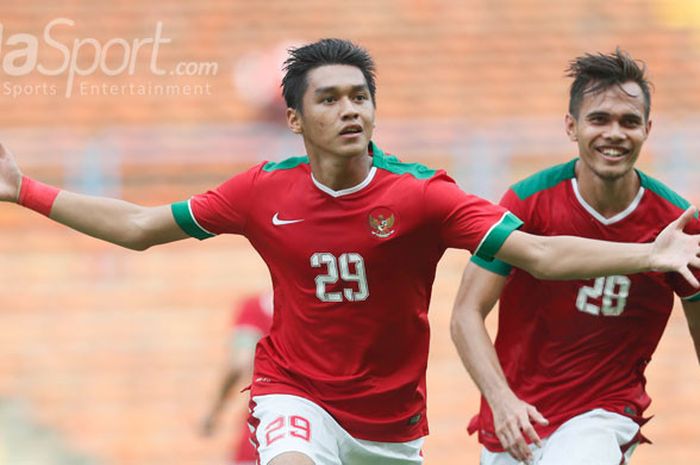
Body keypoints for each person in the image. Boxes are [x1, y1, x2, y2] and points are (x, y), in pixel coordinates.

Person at [1, 39, 699, 465]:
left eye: (360, 96)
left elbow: (539, 256)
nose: (350, 110)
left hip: (392, 425)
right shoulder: (258, 191)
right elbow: (140, 225)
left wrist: (649, 255)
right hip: (296, 394)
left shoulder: (422, 195)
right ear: (297, 119)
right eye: (330, 99)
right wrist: (21, 188)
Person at [450, 49, 700, 465]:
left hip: (605, 413)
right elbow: (465, 314)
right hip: (518, 420)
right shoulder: (527, 203)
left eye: (629, 121)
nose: (614, 133)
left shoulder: (678, 225)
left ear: (647, 129)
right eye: (599, 119)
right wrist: (502, 400)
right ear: (572, 126)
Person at [201, 291, 274, 465]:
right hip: (319, 434)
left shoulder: (256, 308)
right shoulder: (317, 308)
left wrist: (214, 412)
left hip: (260, 434)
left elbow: (239, 363)